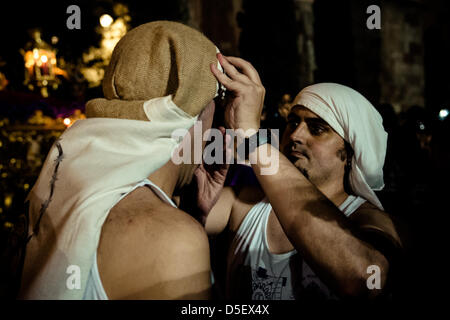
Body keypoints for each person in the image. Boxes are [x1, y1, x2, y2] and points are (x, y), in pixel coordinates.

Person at [18, 21, 228, 300]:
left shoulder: (58, 194)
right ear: (197, 111)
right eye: (219, 99)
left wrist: (192, 216)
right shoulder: (173, 241)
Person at [207, 54, 403, 300]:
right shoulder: (244, 204)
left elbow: (364, 278)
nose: (296, 135)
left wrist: (252, 138)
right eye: (292, 122)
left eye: (317, 128)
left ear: (350, 152)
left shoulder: (369, 221)